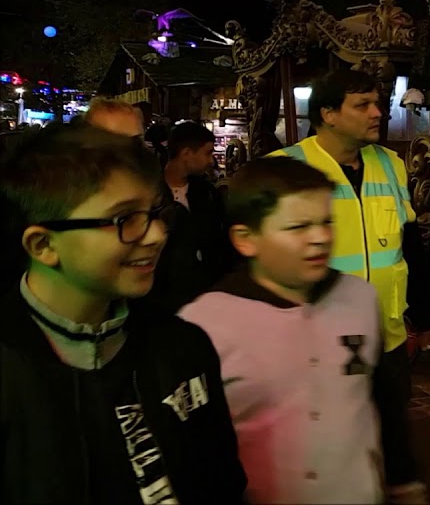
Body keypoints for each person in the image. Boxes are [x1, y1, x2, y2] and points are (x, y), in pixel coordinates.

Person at [0, 124, 246, 503]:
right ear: (44, 244)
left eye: (153, 211)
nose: (156, 234)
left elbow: (222, 481)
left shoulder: (182, 346)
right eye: (124, 220)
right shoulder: (12, 372)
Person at [179, 158, 401, 503]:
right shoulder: (204, 324)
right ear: (246, 239)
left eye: (326, 222)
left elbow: (382, 403)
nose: (320, 238)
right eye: (298, 227)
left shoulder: (360, 298)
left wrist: (404, 481)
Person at [268, 69, 430, 499]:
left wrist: (425, 314)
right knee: (322, 444)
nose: (378, 113)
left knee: (390, 428)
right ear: (328, 114)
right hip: (316, 342)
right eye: (363, 105)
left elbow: (408, 244)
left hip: (387, 333)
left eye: (379, 103)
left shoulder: (391, 164)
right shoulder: (286, 169)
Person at [144, 120, 233, 312]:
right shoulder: (148, 194)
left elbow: (220, 244)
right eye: (207, 152)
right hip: (160, 303)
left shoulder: (208, 194)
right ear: (186, 153)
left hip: (205, 299)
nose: (211, 160)